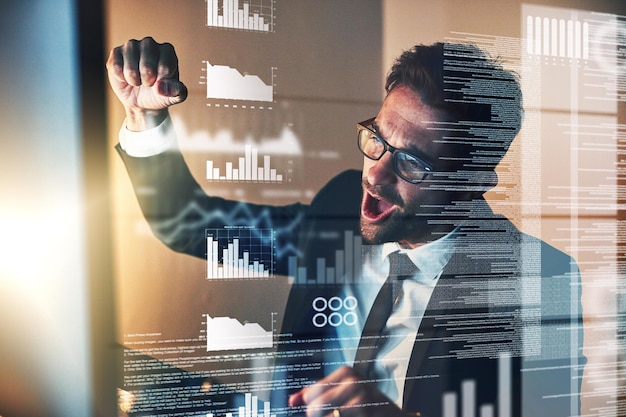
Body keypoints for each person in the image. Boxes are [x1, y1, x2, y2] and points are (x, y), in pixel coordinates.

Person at [108, 37, 586, 417]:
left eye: (413, 164)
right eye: (375, 139)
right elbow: (189, 225)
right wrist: (143, 115)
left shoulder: (540, 282)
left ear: (473, 181)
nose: (374, 175)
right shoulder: (341, 205)